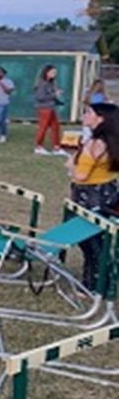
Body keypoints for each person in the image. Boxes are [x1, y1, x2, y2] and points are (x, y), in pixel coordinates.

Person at [65, 102, 119, 292]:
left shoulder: (95, 144)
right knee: (98, 243)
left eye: (89, 112)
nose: (84, 115)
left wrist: (71, 164)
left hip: (90, 197)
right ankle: (94, 282)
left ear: (101, 118)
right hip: (108, 194)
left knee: (91, 243)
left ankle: (97, 285)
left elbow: (81, 175)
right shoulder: (112, 141)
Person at [33, 65, 66, 156]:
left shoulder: (51, 83)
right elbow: (40, 97)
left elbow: (50, 95)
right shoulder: (42, 83)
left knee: (55, 127)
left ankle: (56, 148)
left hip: (51, 108)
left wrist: (57, 98)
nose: (54, 74)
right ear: (46, 72)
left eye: (55, 73)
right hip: (44, 108)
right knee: (43, 127)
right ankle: (38, 147)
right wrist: (55, 95)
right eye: (52, 72)